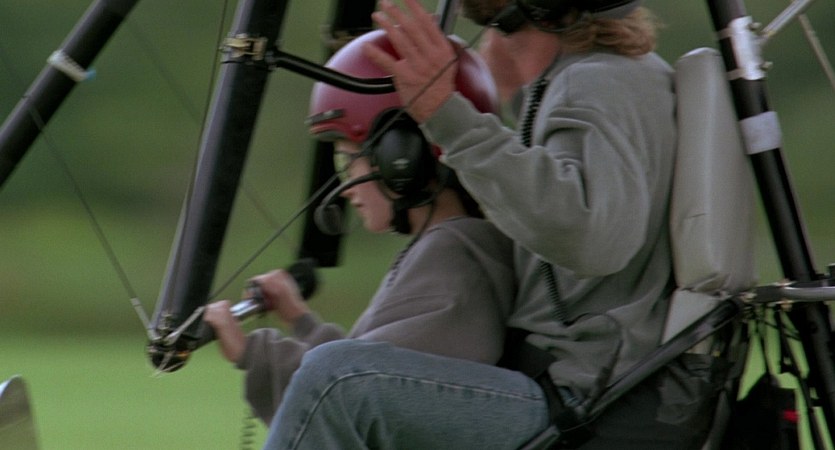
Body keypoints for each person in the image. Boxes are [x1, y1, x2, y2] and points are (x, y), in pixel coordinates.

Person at [261, 1, 721, 449]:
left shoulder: (594, 80)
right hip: (602, 394)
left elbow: (593, 239)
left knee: (335, 380)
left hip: (587, 404)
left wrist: (446, 114)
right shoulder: (609, 76)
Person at [202, 28, 519, 430]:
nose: (346, 186)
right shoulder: (453, 245)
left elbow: (352, 395)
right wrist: (301, 321)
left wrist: (254, 354)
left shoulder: (453, 257)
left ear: (401, 155)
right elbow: (369, 362)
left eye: (349, 161)